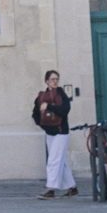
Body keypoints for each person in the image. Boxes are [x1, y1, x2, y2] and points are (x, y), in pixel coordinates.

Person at [33, 70, 77, 199]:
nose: (55, 81)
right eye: (52, 79)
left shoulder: (61, 94)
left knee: (53, 161)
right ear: (47, 81)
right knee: (60, 161)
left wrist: (49, 107)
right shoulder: (41, 96)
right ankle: (72, 188)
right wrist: (42, 124)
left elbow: (65, 110)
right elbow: (35, 113)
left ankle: (51, 190)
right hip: (49, 133)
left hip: (61, 132)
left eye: (57, 79)